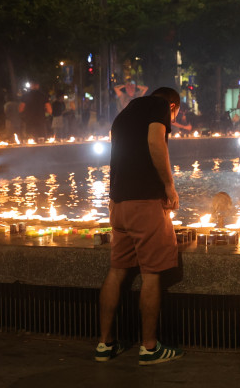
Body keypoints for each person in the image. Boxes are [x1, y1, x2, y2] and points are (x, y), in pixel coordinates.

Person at [96, 87, 184, 365]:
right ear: (172, 106)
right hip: (145, 203)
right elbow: (156, 142)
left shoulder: (124, 114)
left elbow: (117, 156)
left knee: (117, 271)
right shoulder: (159, 106)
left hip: (118, 205)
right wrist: (169, 187)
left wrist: (115, 198)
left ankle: (105, 344)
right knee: (152, 274)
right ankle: (149, 347)